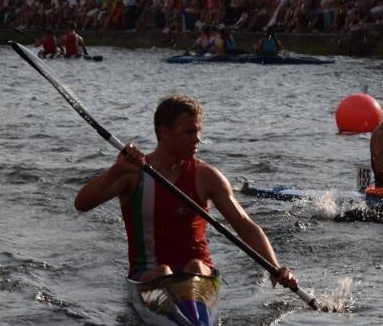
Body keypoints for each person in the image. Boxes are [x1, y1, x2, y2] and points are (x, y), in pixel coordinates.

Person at [73, 94, 298, 290]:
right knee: (163, 272)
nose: (197, 140)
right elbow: (82, 203)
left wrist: (275, 267)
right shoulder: (132, 174)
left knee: (195, 266)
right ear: (164, 133)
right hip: (148, 275)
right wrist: (116, 169)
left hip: (200, 276)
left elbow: (245, 226)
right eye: (189, 132)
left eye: (198, 131)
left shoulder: (207, 177)